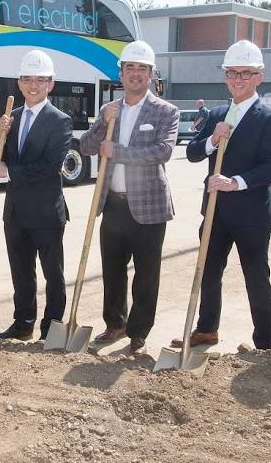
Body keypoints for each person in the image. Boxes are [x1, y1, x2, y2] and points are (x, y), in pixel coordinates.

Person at [182, 40, 271, 351]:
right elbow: (191, 153)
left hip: (252, 214)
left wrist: (236, 182)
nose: (237, 79)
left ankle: (264, 342)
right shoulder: (217, 114)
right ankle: (206, 329)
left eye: (245, 73)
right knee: (208, 271)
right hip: (215, 213)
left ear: (259, 76)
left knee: (256, 277)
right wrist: (212, 140)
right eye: (232, 73)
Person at [79, 40, 178, 356]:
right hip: (114, 204)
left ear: (151, 74)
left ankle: (138, 332)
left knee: (147, 273)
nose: (135, 74)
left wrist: (118, 151)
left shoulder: (165, 111)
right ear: (121, 73)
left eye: (142, 69)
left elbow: (162, 151)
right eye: (130, 68)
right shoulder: (110, 111)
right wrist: (100, 124)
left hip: (149, 208)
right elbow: (86, 147)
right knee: (112, 269)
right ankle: (115, 323)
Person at [0, 50, 72, 341]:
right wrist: (0, 136)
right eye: (27, 79)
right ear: (19, 83)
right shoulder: (11, 117)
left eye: (41, 80)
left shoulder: (60, 120)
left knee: (53, 275)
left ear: (51, 84)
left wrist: (9, 171)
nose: (33, 85)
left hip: (46, 212)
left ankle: (52, 330)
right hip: (15, 212)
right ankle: (22, 324)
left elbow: (50, 167)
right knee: (21, 274)